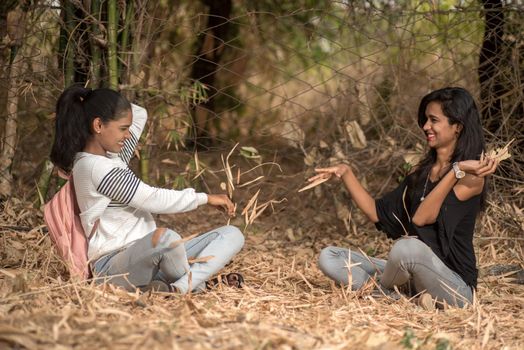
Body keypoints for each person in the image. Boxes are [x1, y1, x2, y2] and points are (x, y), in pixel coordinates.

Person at [313, 87, 498, 307]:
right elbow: (376, 212)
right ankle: (394, 296)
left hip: (454, 287)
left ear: (457, 126)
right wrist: (346, 172)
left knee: (405, 249)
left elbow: (421, 219)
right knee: (329, 256)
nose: (425, 126)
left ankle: (384, 291)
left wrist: (456, 169)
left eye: (433, 120)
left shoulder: (471, 178)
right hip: (411, 273)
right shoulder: (420, 172)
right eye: (425, 119)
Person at [49, 85, 245, 294]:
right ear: (98, 125)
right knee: (166, 239)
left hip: (152, 257)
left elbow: (140, 114)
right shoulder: (93, 167)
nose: (127, 135)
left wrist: (88, 99)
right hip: (114, 264)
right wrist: (205, 198)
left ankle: (176, 287)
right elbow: (151, 198)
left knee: (232, 234)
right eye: (123, 128)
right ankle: (196, 285)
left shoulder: (113, 157)